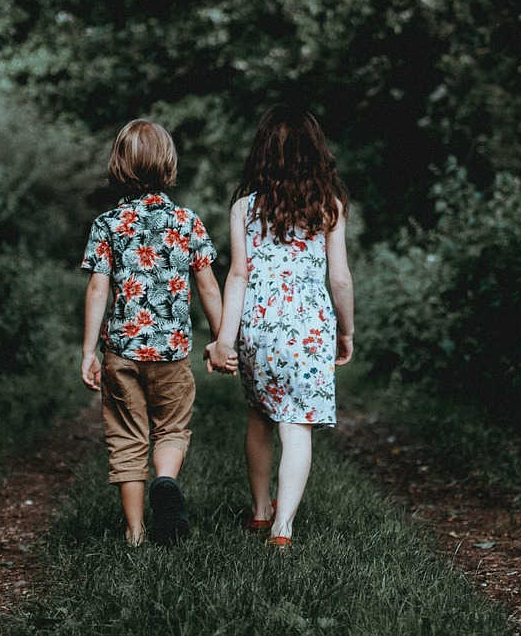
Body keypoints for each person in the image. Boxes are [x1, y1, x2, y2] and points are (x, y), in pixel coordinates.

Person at [206, 104, 355, 549]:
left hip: (259, 326)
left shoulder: (245, 209)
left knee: (259, 415)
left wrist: (224, 340)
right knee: (297, 425)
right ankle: (283, 527)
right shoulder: (329, 205)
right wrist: (346, 331)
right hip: (309, 327)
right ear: (316, 153)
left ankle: (258, 510)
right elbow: (340, 277)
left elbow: (237, 275)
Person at [80, 119, 223, 547]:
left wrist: (89, 350)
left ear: (119, 165)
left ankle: (136, 531)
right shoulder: (186, 221)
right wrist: (220, 340)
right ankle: (165, 480)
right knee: (171, 429)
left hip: (122, 352)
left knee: (126, 437)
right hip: (173, 352)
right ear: (169, 164)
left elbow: (97, 288)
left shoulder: (107, 224)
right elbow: (209, 285)